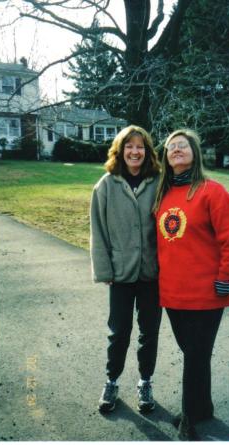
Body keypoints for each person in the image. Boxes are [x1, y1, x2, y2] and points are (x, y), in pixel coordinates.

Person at [153, 129, 229, 440]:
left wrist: (225, 277)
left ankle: (190, 420)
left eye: (182, 146)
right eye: (171, 147)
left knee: (195, 354)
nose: (176, 150)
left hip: (206, 293)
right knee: (194, 353)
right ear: (166, 157)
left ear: (194, 152)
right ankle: (202, 407)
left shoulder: (212, 192)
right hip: (172, 292)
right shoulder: (163, 194)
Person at [90, 125, 162, 414]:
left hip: (152, 274)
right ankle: (111, 381)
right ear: (119, 151)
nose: (135, 151)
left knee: (150, 332)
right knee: (119, 331)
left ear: (147, 152)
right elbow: (98, 231)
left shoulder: (158, 183)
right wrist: (105, 270)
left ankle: (145, 382)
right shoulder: (106, 185)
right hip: (120, 273)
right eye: (129, 146)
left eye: (140, 146)